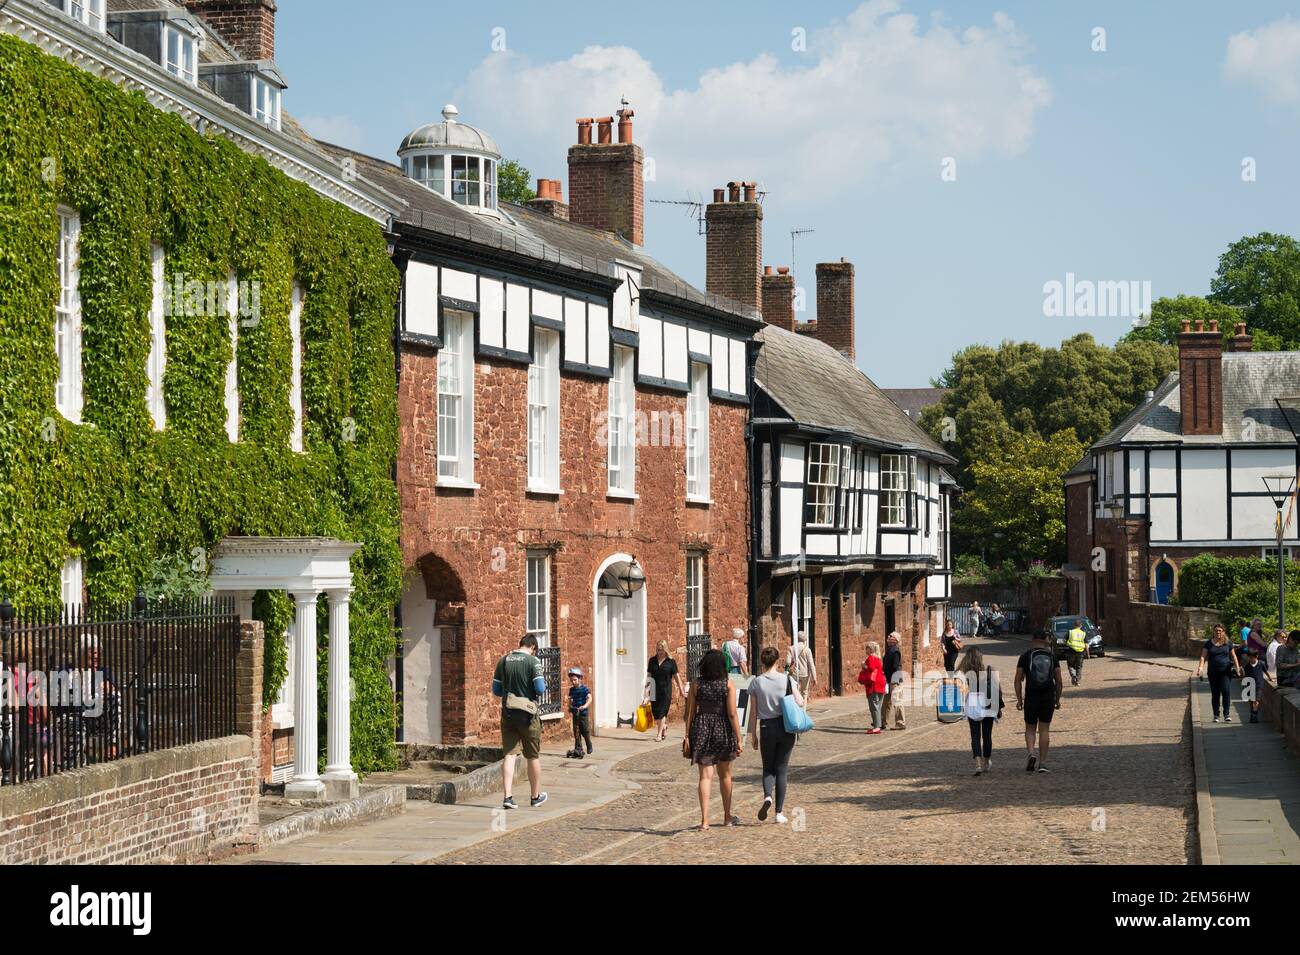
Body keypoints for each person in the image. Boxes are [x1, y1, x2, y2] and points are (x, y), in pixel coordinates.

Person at [683, 648, 743, 829]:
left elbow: (690, 713)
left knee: (705, 777)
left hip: (701, 728)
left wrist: (687, 735)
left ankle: (705, 820)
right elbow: (732, 714)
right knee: (725, 774)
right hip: (723, 728)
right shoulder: (727, 684)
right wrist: (739, 738)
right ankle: (726, 817)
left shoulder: (697, 684)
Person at [746, 645, 804, 824]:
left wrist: (753, 735)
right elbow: (800, 702)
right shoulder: (786, 680)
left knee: (768, 768)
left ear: (762, 662)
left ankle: (767, 797)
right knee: (782, 769)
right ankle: (779, 812)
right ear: (777, 661)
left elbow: (753, 711)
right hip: (785, 726)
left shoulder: (756, 682)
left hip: (766, 727)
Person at [491, 634, 548, 809]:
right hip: (528, 716)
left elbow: (497, 690)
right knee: (532, 756)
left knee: (509, 755)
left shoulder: (504, 660)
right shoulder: (533, 662)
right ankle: (535, 796)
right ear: (533, 647)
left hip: (508, 714)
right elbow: (540, 689)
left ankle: (508, 797)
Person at [1015, 630, 1062, 773]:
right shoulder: (1052, 656)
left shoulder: (1025, 656)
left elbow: (1017, 679)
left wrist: (1019, 700)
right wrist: (1057, 699)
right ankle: (1042, 763)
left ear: (1033, 640)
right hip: (1048, 696)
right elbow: (1059, 680)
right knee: (1044, 730)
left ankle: (1031, 753)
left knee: (1030, 728)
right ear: (1045, 640)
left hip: (1031, 696)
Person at [958, 647, 1002, 775]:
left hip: (973, 703)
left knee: (975, 736)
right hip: (988, 703)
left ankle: (977, 763)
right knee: (987, 735)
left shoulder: (967, 672)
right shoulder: (988, 670)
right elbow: (997, 689)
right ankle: (986, 761)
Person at [1196, 624, 1241, 723]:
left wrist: (1237, 668)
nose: (1218, 632)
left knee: (1226, 691)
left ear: (1223, 632)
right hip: (1213, 672)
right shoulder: (1208, 644)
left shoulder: (1228, 643)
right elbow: (1203, 657)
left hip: (1225, 672)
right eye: (1216, 630)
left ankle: (1226, 714)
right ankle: (1216, 715)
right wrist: (1200, 668)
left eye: (1220, 630)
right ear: (1213, 632)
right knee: (1215, 693)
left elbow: (1233, 656)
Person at [646, 640, 686, 742]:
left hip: (666, 690)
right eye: (658, 650)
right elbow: (649, 677)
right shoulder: (652, 660)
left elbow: (677, 677)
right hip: (654, 690)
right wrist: (646, 692)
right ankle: (663, 727)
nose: (660, 652)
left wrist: (681, 690)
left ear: (666, 650)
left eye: (662, 650)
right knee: (656, 713)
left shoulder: (671, 662)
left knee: (662, 713)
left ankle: (659, 734)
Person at [858, 642, 886, 734]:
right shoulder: (878, 658)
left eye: (867, 648)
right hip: (881, 683)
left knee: (874, 706)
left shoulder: (870, 658)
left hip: (874, 684)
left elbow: (871, 669)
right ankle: (878, 724)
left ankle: (876, 727)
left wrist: (863, 666)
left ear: (870, 649)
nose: (865, 649)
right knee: (878, 706)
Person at [880, 631, 906, 730]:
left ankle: (900, 723)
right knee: (886, 702)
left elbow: (895, 667)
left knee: (897, 701)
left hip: (894, 680)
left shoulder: (895, 651)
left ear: (895, 640)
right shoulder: (889, 649)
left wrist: (892, 680)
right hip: (888, 679)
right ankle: (882, 722)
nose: (888, 637)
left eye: (890, 636)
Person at [566, 667, 593, 758]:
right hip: (575, 712)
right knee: (576, 731)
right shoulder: (571, 690)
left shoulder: (585, 689)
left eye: (575, 680)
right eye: (571, 680)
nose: (573, 682)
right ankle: (578, 748)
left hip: (583, 713)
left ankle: (589, 744)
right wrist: (570, 706)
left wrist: (584, 706)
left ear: (580, 679)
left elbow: (590, 698)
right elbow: (570, 700)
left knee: (585, 730)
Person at [1240, 649, 1265, 724]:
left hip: (1259, 685)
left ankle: (1254, 715)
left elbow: (1265, 671)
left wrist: (1270, 678)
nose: (1250, 659)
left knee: (1256, 701)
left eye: (1252, 657)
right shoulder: (1247, 666)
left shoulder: (1261, 663)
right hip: (1250, 685)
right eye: (1249, 657)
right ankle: (1252, 714)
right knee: (1251, 701)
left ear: (1256, 656)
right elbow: (1245, 675)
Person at [1066, 617, 1089, 686]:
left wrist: (1067, 644)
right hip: (1080, 652)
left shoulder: (1070, 632)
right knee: (1079, 667)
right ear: (1081, 626)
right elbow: (1086, 644)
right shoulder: (1083, 633)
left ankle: (1073, 675)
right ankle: (1077, 680)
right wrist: (1088, 653)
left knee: (1070, 665)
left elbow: (1064, 640)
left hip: (1071, 651)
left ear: (1074, 625)